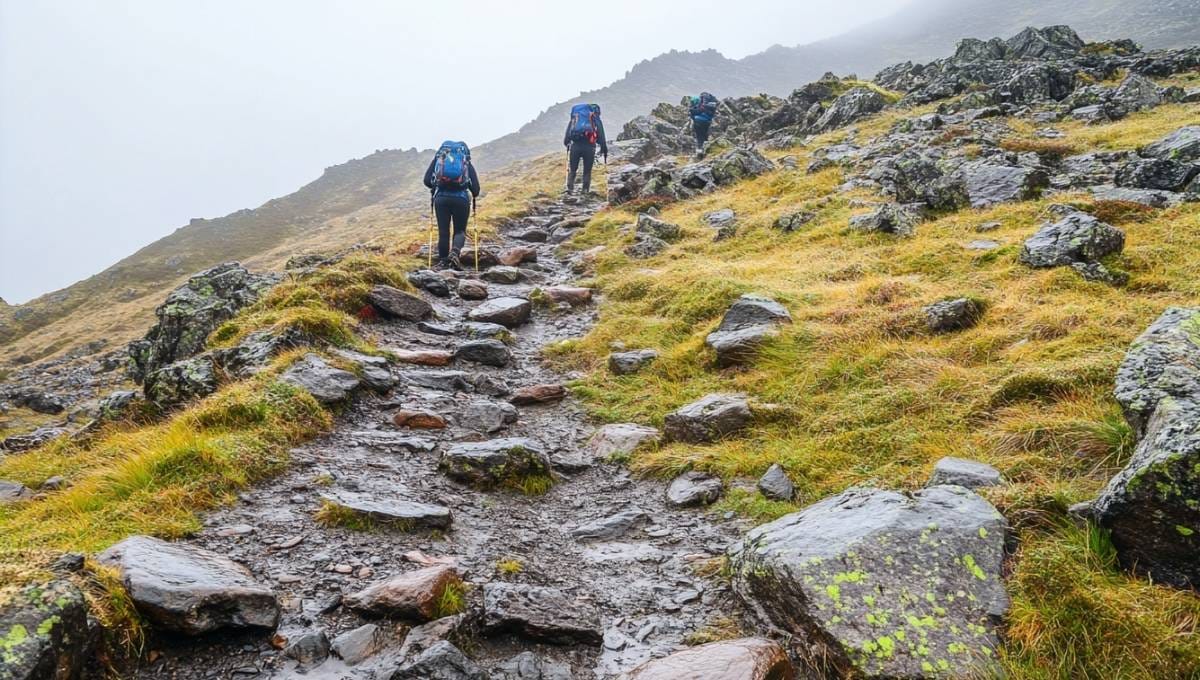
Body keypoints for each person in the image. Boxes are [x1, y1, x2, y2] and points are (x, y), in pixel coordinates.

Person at [423, 140, 481, 270]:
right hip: (461, 199)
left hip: (441, 199)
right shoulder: (466, 162)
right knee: (459, 231)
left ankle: (443, 263)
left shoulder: (438, 160)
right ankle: (454, 254)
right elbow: (476, 190)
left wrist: (437, 185)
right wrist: (466, 186)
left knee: (443, 232)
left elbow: (426, 180)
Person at [564, 103, 607, 196]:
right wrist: (603, 148)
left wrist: (567, 142)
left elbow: (568, 134)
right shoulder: (595, 119)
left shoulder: (575, 118)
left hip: (575, 146)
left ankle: (569, 189)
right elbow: (601, 135)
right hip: (589, 147)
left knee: (573, 169)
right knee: (587, 171)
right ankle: (585, 190)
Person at [689, 92, 719, 158]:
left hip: (698, 122)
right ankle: (705, 150)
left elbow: (692, 114)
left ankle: (700, 150)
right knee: (705, 136)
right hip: (707, 122)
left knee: (700, 137)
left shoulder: (697, 107)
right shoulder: (707, 105)